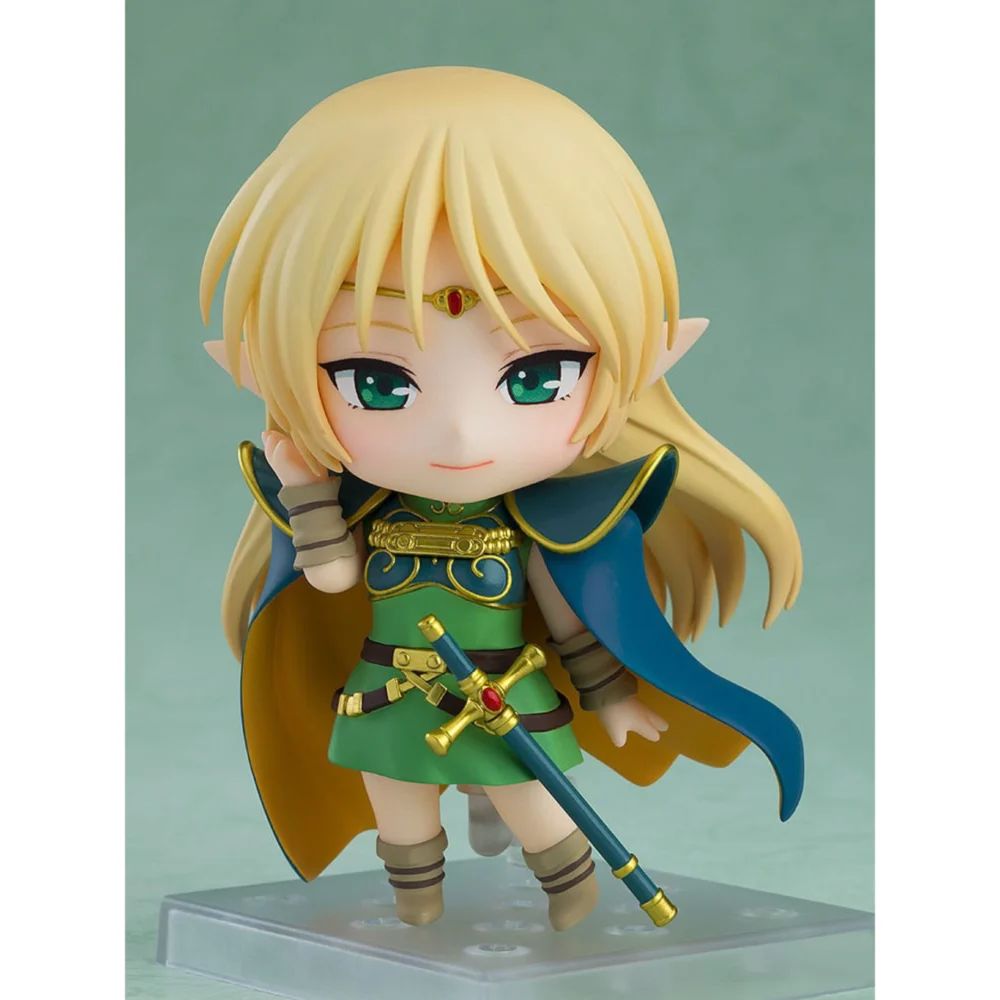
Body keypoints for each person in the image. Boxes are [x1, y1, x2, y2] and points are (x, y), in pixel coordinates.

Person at [201, 66, 804, 931]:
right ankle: (416, 906)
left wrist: (610, 694)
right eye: (376, 381)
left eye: (537, 376)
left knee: (535, 806)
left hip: (501, 694)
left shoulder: (533, 519)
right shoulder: (377, 517)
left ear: (647, 357)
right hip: (389, 692)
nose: (460, 435)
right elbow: (330, 580)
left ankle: (568, 889)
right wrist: (304, 493)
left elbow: (566, 614)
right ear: (267, 369)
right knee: (399, 809)